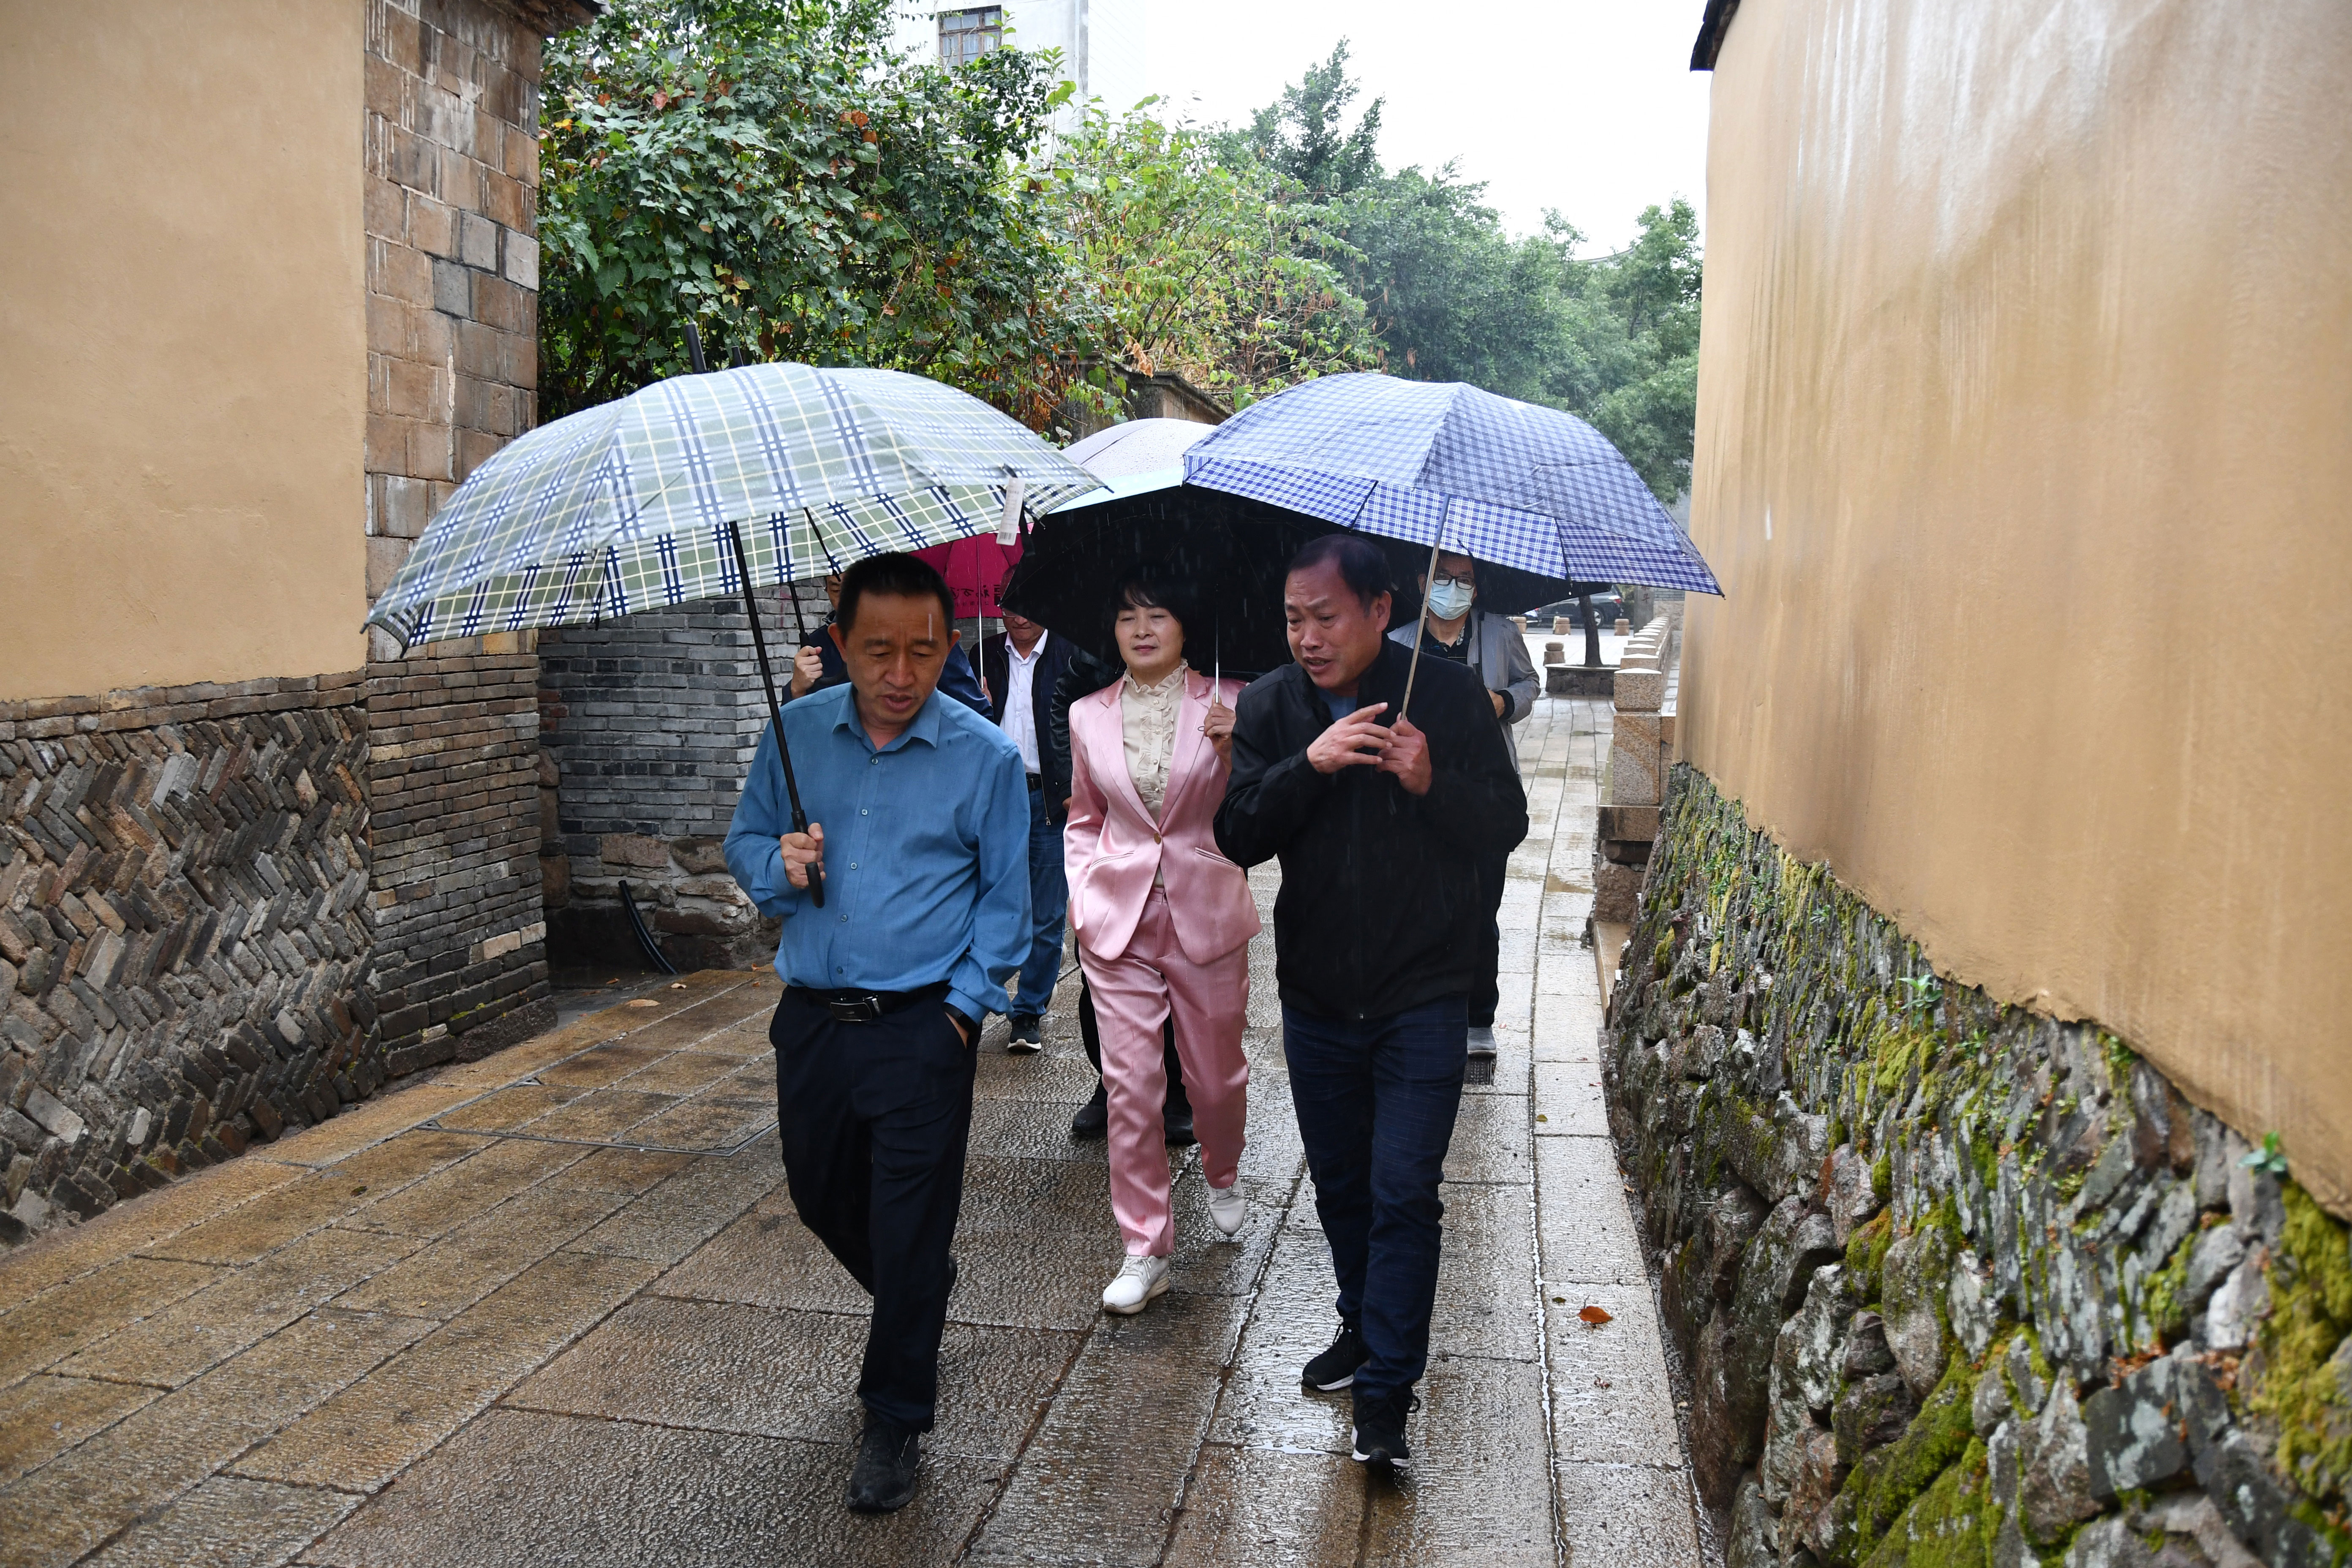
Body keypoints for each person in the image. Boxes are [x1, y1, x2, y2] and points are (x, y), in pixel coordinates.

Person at [1214, 534, 1528, 1477]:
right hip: (1317, 995)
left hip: (1423, 991)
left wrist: (1431, 779)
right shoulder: (1271, 704)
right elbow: (1237, 833)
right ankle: (1361, 1321)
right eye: (1293, 619)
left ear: (1380, 610)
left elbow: (1505, 822)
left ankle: (1387, 1392)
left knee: (1403, 1191)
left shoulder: (1448, 695)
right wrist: (1307, 764)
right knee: (1342, 1185)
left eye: (1326, 617)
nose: (1307, 637)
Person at [723, 551, 1029, 1515]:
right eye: (878, 650)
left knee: (909, 1219)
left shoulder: (983, 757)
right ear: (841, 642)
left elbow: (1007, 903)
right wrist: (777, 866)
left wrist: (964, 1010)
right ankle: (917, 1286)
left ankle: (894, 1415)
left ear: (948, 645)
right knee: (819, 1195)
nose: (901, 673)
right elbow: (743, 841)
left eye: (923, 651)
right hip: (812, 1023)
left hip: (920, 1027)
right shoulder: (795, 734)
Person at [1064, 569, 1259, 1314]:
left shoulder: (1233, 701)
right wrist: (1082, 894)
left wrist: (1237, 752)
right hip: (1116, 919)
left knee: (1215, 1080)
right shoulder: (1088, 714)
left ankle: (1223, 1167)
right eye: (1127, 617)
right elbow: (1084, 817)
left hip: (1205, 908)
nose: (1141, 629)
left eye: (1157, 615)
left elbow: (1258, 807)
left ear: (1185, 626)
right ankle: (1144, 1247)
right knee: (1132, 1086)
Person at [1387, 550, 1538, 1059]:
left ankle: (1478, 1017)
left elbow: (1530, 682)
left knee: (1480, 905)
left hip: (1484, 790)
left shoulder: (1500, 633)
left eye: (1464, 579)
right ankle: (1420, 1003)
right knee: (1420, 900)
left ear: (1477, 587)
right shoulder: (1399, 643)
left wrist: (1504, 702)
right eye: (1443, 577)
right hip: (1418, 791)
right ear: (1421, 581)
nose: (1453, 587)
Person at [1047, 643, 1193, 1144]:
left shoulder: (1217, 669)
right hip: (1116, 844)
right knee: (1100, 977)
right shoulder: (1102, 654)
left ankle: (1178, 1089)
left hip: (1188, 854)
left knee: (1181, 984)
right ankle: (1111, 1081)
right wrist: (1072, 780)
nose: (1144, 628)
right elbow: (1063, 700)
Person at [979, 609, 1076, 1052]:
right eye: (1010, 604)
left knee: (1047, 909)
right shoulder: (982, 656)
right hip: (996, 796)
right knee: (985, 899)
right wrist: (976, 705)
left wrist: (1074, 787)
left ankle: (1029, 1009)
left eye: (1029, 605)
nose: (1019, 616)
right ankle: (975, 996)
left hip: (1049, 796)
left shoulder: (1070, 655)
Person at [790, 571, 993, 716]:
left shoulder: (926, 634)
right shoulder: (817, 646)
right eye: (837, 590)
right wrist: (797, 691)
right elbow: (797, 732)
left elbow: (975, 714)